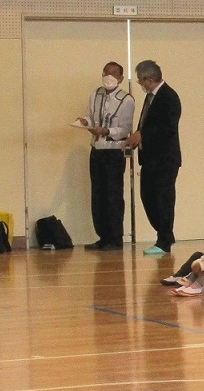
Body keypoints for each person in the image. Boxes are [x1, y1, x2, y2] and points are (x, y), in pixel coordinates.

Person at [75, 61, 134, 250]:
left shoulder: (127, 100)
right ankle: (103, 236)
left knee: (113, 195)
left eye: (114, 73)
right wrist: (85, 122)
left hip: (114, 150)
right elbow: (90, 117)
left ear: (121, 78)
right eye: (106, 73)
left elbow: (124, 128)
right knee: (98, 194)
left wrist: (106, 131)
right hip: (96, 150)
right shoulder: (96, 94)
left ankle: (115, 238)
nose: (109, 76)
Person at [127, 59, 181, 256]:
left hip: (165, 160)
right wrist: (137, 138)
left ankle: (164, 239)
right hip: (150, 159)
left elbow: (168, 128)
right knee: (148, 197)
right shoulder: (150, 97)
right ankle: (165, 233)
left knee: (163, 200)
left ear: (149, 79)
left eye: (141, 80)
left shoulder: (169, 97)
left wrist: (143, 135)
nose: (141, 84)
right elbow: (147, 124)